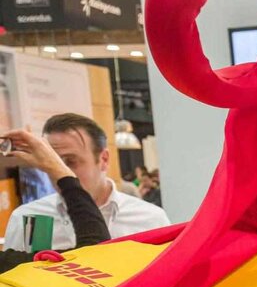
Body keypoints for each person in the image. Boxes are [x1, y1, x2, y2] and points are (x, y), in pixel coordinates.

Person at [3, 113, 170, 251]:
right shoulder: (27, 217)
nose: (59, 172)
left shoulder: (150, 219)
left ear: (103, 159)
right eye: (51, 163)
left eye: (70, 161)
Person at [0, 128, 110, 272]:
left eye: (70, 161)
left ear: (104, 159)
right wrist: (60, 172)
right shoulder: (25, 214)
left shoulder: (146, 214)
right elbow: (96, 255)